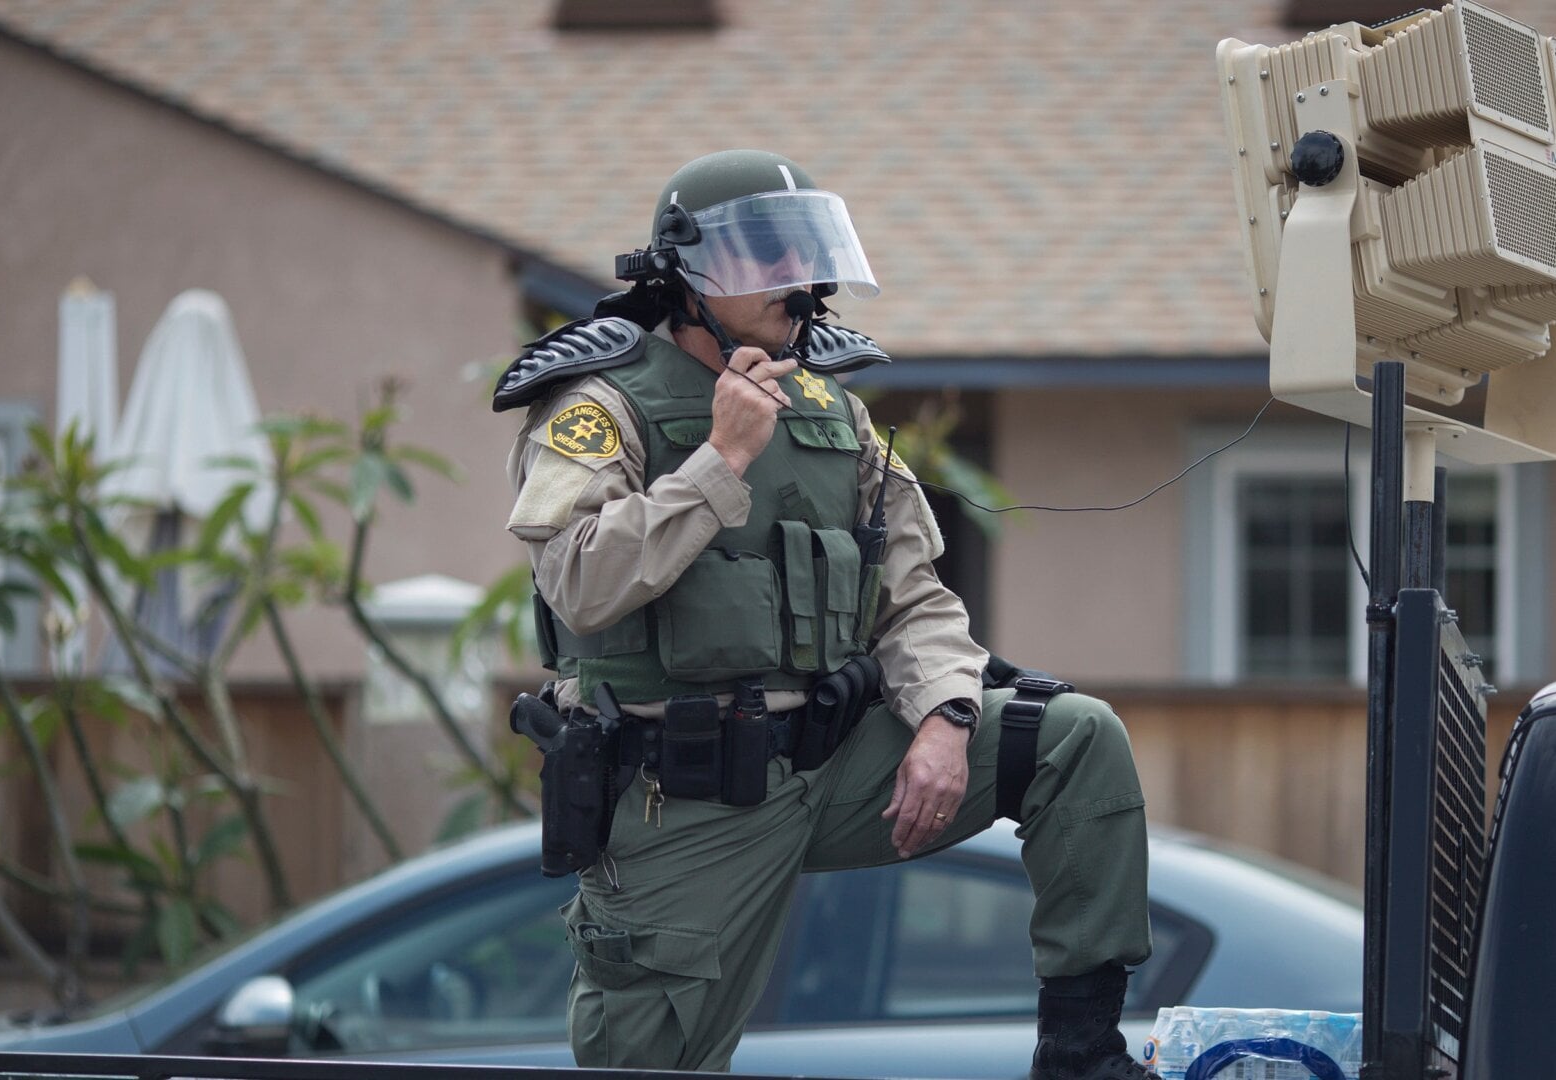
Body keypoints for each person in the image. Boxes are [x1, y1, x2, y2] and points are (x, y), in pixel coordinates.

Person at [494, 148, 1157, 1080]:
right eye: (764, 259)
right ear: (686, 275)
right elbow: (579, 581)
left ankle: (1082, 1056)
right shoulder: (600, 406)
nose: (797, 284)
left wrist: (946, 715)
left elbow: (917, 596)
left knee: (1073, 740)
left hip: (837, 765)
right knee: (651, 1062)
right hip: (684, 798)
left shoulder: (835, 415)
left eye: (805, 257)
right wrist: (718, 463)